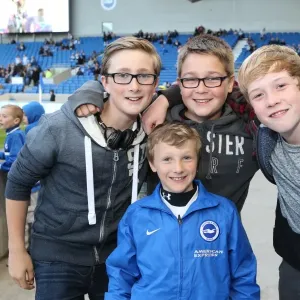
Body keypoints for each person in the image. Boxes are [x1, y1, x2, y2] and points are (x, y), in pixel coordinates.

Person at [5, 37, 161, 299]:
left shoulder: (154, 133)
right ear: (105, 81)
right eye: (122, 75)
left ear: (155, 83)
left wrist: (166, 99)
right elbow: (18, 183)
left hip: (118, 256)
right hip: (57, 257)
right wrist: (17, 250)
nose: (134, 86)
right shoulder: (58, 128)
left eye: (144, 76)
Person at [77, 34, 258, 212]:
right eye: (191, 79)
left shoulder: (251, 130)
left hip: (219, 238)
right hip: (155, 235)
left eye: (212, 79)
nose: (201, 89)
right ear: (180, 83)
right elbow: (116, 95)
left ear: (229, 84)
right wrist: (88, 92)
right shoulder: (153, 120)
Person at [105, 122, 260, 300]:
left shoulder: (224, 212)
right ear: (153, 164)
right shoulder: (137, 214)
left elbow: (243, 273)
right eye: (167, 159)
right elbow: (121, 274)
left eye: (187, 158)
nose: (178, 168)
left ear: (197, 160)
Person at [237, 44, 300, 300]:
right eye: (258, 95)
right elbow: (207, 91)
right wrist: (166, 98)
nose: (272, 100)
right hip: (295, 266)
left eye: (281, 85)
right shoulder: (267, 143)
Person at [22, 101, 45, 248]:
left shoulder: (31, 130)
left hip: (34, 182)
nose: (23, 117)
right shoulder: (45, 126)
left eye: (25, 114)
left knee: (31, 216)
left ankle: (31, 249)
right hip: (43, 181)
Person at [0, 104, 25, 172]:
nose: (0, 119)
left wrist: (1, 166)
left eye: (4, 116)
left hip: (18, 177)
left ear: (16, 121)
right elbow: (9, 154)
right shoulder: (12, 134)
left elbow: (15, 160)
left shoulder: (15, 135)